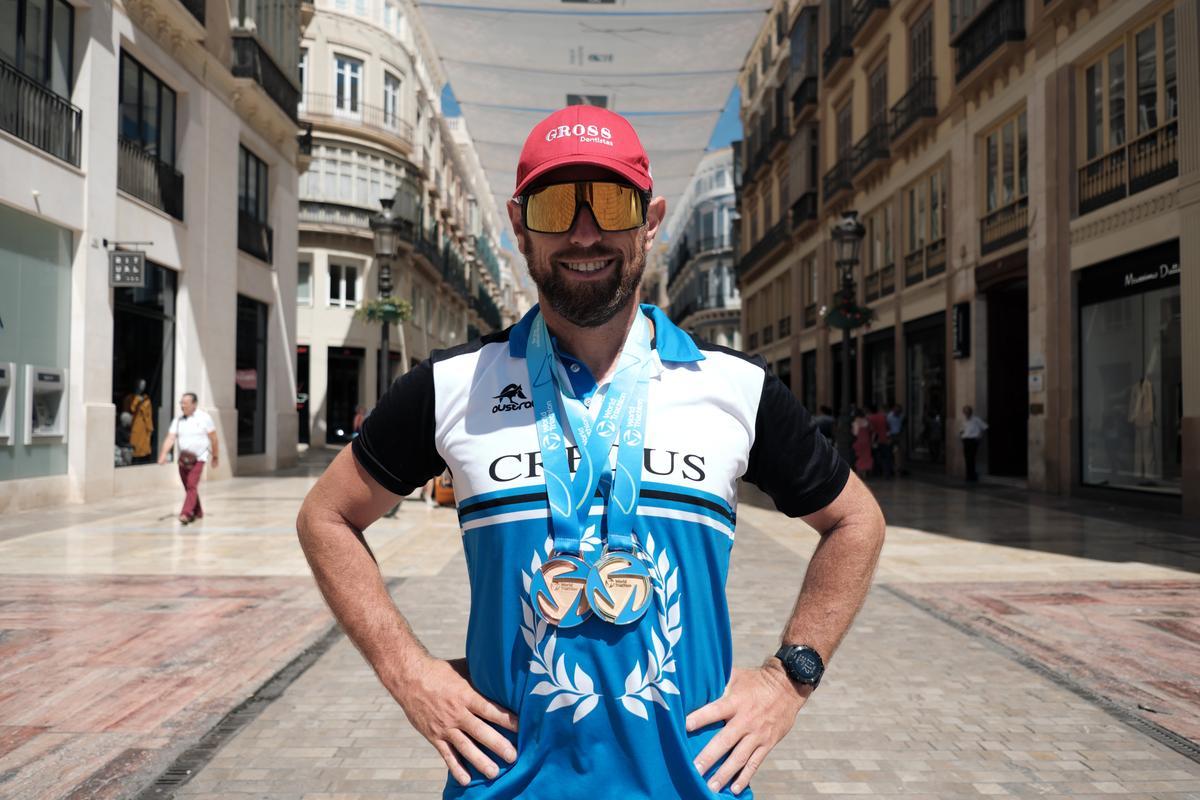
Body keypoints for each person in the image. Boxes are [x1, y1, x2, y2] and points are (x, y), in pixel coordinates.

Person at [296, 106, 886, 799]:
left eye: (609, 202)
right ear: (519, 226)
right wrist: (407, 672)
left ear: (652, 220)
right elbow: (326, 517)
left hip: (694, 785)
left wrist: (791, 675)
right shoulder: (453, 385)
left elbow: (857, 521)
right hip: (503, 787)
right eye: (555, 204)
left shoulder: (734, 387)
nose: (584, 231)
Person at [157, 392, 218, 523]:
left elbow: (213, 438)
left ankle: (186, 513)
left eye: (185, 403)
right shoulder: (178, 420)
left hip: (199, 458)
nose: (182, 405)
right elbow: (171, 437)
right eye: (181, 403)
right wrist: (163, 454)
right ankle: (198, 511)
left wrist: (215, 456)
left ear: (194, 404)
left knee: (191, 484)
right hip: (183, 459)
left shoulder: (204, 418)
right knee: (190, 486)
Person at [959, 404, 988, 482]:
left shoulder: (976, 419)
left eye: (967, 412)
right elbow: (961, 429)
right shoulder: (964, 420)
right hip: (966, 440)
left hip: (973, 440)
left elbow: (984, 427)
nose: (966, 414)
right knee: (967, 458)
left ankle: (972, 475)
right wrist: (962, 435)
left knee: (971, 458)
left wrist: (979, 436)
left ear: (970, 412)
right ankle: (969, 475)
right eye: (965, 412)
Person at [866, 404, 891, 478]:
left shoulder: (870, 418)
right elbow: (888, 427)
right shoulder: (883, 417)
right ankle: (886, 473)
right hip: (884, 439)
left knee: (875, 457)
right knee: (885, 457)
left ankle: (877, 472)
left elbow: (870, 429)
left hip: (875, 440)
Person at [850, 408, 874, 478]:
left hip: (859, 441)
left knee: (859, 457)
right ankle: (865, 472)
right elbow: (871, 430)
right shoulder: (866, 421)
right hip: (867, 441)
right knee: (866, 457)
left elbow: (855, 433)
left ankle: (859, 472)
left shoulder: (855, 422)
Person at [886, 403, 905, 475]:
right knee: (892, 452)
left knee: (899, 452)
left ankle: (899, 468)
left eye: (899, 411)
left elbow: (903, 423)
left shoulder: (901, 416)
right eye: (896, 410)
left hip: (899, 435)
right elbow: (887, 425)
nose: (898, 412)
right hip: (892, 435)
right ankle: (894, 468)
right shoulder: (889, 416)